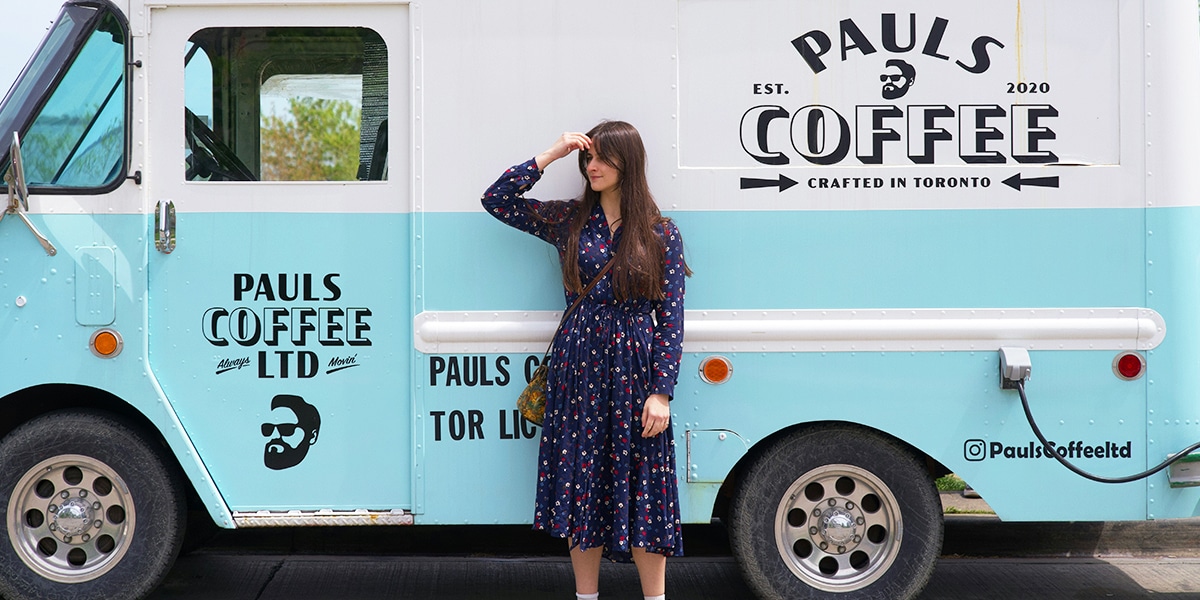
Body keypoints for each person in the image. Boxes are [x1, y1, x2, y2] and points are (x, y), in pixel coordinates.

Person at [482, 121, 689, 600]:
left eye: (603, 159)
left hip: (636, 369)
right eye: (587, 159)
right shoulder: (570, 220)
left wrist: (662, 390)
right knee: (582, 481)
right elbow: (498, 200)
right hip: (579, 368)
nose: (591, 167)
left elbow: (671, 318)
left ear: (628, 165)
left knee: (646, 485)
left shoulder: (661, 233)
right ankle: (586, 596)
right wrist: (551, 154)